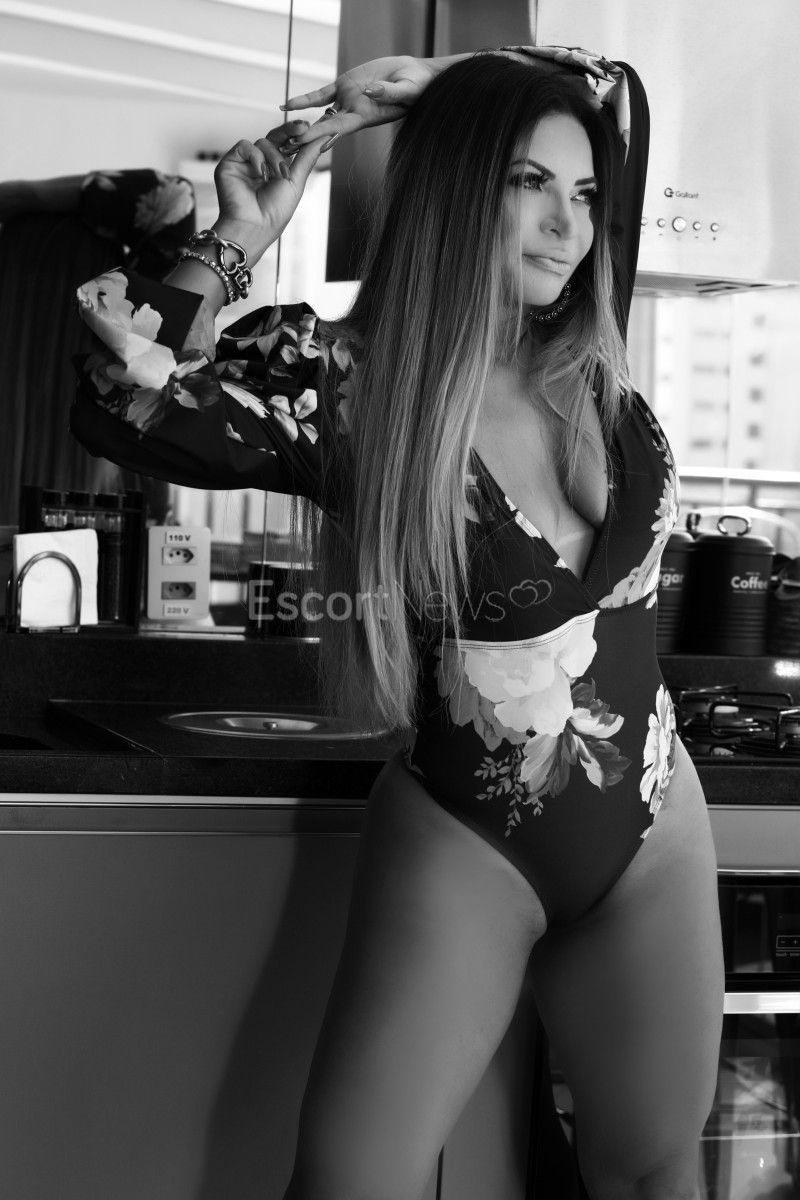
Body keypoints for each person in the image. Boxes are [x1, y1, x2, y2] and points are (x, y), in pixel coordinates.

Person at [69, 46, 724, 1200]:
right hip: (468, 842)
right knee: (352, 1185)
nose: (566, 227)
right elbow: (124, 407)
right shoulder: (349, 388)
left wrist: (454, 81)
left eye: (582, 195)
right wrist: (233, 239)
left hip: (654, 828)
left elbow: (614, 94)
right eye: (526, 184)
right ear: (458, 187)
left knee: (655, 1179)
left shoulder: (596, 363)